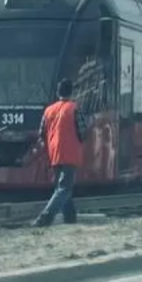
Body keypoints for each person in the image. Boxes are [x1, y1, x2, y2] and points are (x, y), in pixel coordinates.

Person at [33, 79, 87, 228]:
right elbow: (83, 131)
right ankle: (44, 219)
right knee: (64, 189)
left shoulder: (48, 110)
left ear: (58, 92)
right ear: (72, 92)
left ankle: (70, 217)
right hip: (70, 153)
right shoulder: (74, 108)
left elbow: (41, 133)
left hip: (54, 154)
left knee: (61, 187)